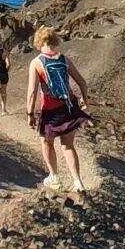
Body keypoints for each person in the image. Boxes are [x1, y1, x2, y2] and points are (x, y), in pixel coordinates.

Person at [26, 26, 91, 193]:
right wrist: (84, 100)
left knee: (46, 142)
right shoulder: (64, 59)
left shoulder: (37, 62)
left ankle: (54, 176)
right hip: (69, 107)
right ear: (54, 40)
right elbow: (82, 82)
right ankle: (78, 182)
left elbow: (32, 91)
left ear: (38, 41)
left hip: (50, 110)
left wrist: (30, 113)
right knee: (68, 145)